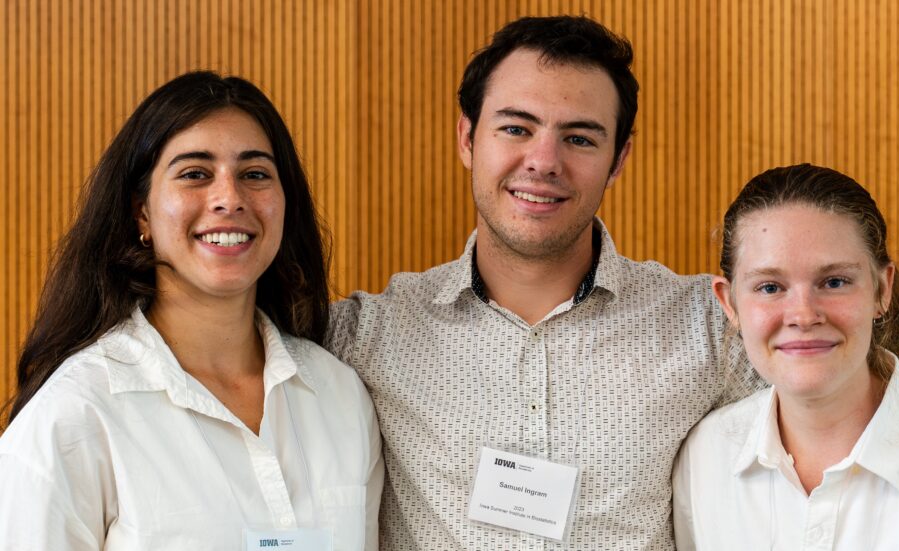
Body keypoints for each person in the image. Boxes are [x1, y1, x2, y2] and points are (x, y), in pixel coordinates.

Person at [329, 15, 762, 549]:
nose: (543, 161)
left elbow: (845, 424)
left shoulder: (709, 326)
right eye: (516, 128)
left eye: (579, 138)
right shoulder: (366, 335)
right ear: (467, 137)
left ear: (618, 158)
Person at [0, 71, 383, 550]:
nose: (230, 198)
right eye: (195, 174)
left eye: (255, 174)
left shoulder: (340, 396)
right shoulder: (75, 414)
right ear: (142, 213)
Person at [673, 163, 899, 550]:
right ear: (730, 303)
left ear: (881, 291)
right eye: (770, 286)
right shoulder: (703, 460)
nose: (804, 315)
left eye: (835, 282)